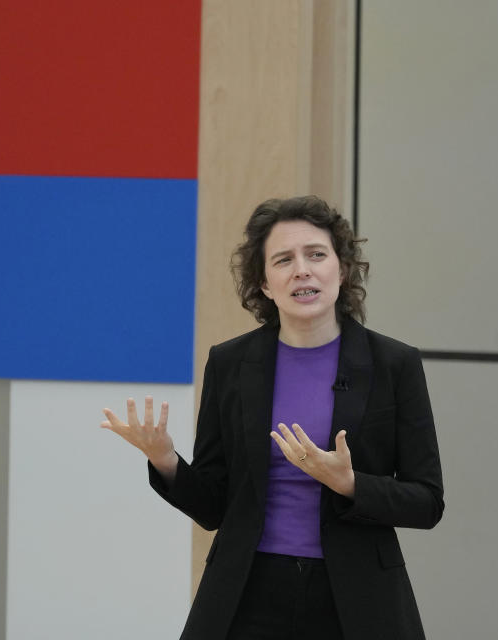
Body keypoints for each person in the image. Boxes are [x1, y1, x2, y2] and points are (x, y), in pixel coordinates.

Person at [101, 195, 443, 640]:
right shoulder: (230, 363)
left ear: (341, 269)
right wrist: (166, 459)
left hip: (356, 599)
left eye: (316, 255)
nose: (302, 269)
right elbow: (212, 506)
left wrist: (351, 484)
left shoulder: (394, 365)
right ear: (265, 284)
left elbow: (427, 501)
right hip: (247, 593)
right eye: (283, 260)